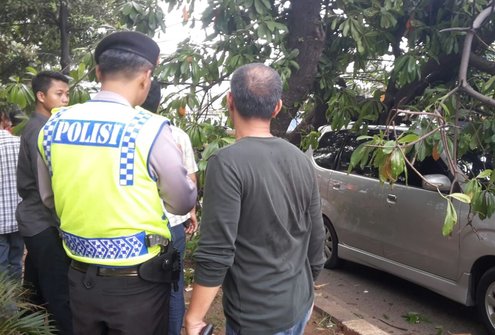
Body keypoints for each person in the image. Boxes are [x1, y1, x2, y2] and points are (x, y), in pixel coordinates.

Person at [36, 31, 197, 335]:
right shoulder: (149, 129)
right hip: (139, 282)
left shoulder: (54, 125)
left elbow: (49, 198)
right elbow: (181, 201)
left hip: (80, 274)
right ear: (146, 76)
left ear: (99, 72)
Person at [184, 63, 326, 335]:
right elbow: (316, 237)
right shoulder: (300, 159)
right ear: (277, 107)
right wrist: (303, 288)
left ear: (230, 101)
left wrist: (194, 317)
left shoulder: (226, 164)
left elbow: (217, 250)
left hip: (256, 316)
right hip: (298, 304)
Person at [16, 70, 73, 334]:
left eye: (67, 94)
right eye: (58, 94)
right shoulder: (42, 129)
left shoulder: (39, 125)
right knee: (59, 294)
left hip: (34, 219)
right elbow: (50, 185)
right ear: (41, 96)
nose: (65, 100)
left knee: (34, 292)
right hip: (43, 220)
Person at [140, 80, 199, 335]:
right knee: (174, 286)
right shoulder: (177, 134)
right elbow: (191, 181)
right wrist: (192, 212)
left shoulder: (128, 133)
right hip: (173, 223)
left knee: (140, 286)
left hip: (137, 226)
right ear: (159, 101)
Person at [0, 105, 22, 280]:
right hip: (18, 216)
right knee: (15, 262)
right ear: (4, 120)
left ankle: (7, 305)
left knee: (1, 266)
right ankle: (17, 300)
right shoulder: (19, 143)